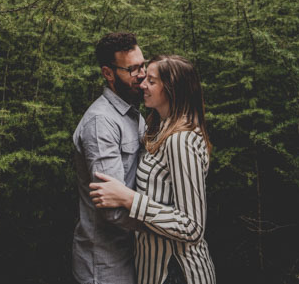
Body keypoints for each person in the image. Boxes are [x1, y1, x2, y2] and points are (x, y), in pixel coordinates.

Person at [90, 55, 216, 284]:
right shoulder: (157, 129)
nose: (142, 85)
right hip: (155, 272)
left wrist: (129, 199)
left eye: (151, 81)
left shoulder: (181, 140)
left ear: (171, 89)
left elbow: (192, 227)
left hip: (178, 272)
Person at [72, 32, 148, 284]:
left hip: (133, 254)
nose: (142, 74)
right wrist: (167, 223)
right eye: (132, 69)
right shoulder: (101, 123)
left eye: (143, 65)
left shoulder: (134, 114)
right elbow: (112, 210)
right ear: (108, 73)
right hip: (105, 266)